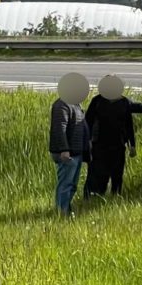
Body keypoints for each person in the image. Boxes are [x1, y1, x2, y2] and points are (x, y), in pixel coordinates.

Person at [83, 75, 142, 197]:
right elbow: (87, 122)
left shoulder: (124, 102)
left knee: (117, 175)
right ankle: (91, 197)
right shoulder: (97, 101)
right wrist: (87, 142)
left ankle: (116, 197)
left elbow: (131, 121)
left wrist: (132, 145)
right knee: (97, 174)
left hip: (118, 145)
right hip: (99, 145)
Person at [49, 72, 91, 217]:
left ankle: (66, 208)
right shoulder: (62, 105)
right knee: (66, 184)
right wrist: (64, 149)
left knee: (72, 184)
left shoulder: (76, 105)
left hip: (76, 152)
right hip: (67, 153)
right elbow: (59, 128)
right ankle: (62, 212)